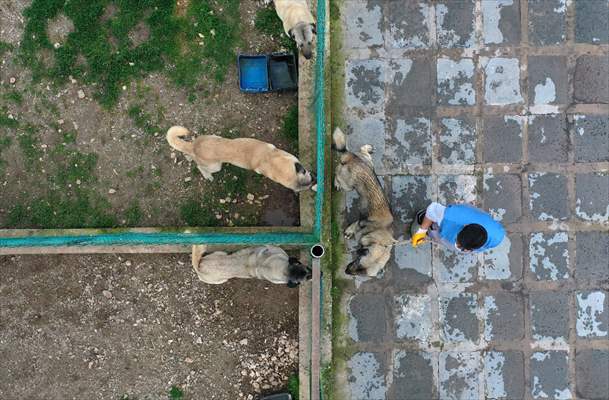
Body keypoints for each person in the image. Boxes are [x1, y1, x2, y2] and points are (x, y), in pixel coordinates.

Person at [410, 202, 505, 253]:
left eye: (463, 248)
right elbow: (432, 209)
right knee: (432, 225)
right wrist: (422, 230)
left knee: (442, 239)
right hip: (447, 218)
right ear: (465, 225)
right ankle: (421, 217)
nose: (458, 246)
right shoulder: (450, 217)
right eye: (457, 240)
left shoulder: (497, 235)